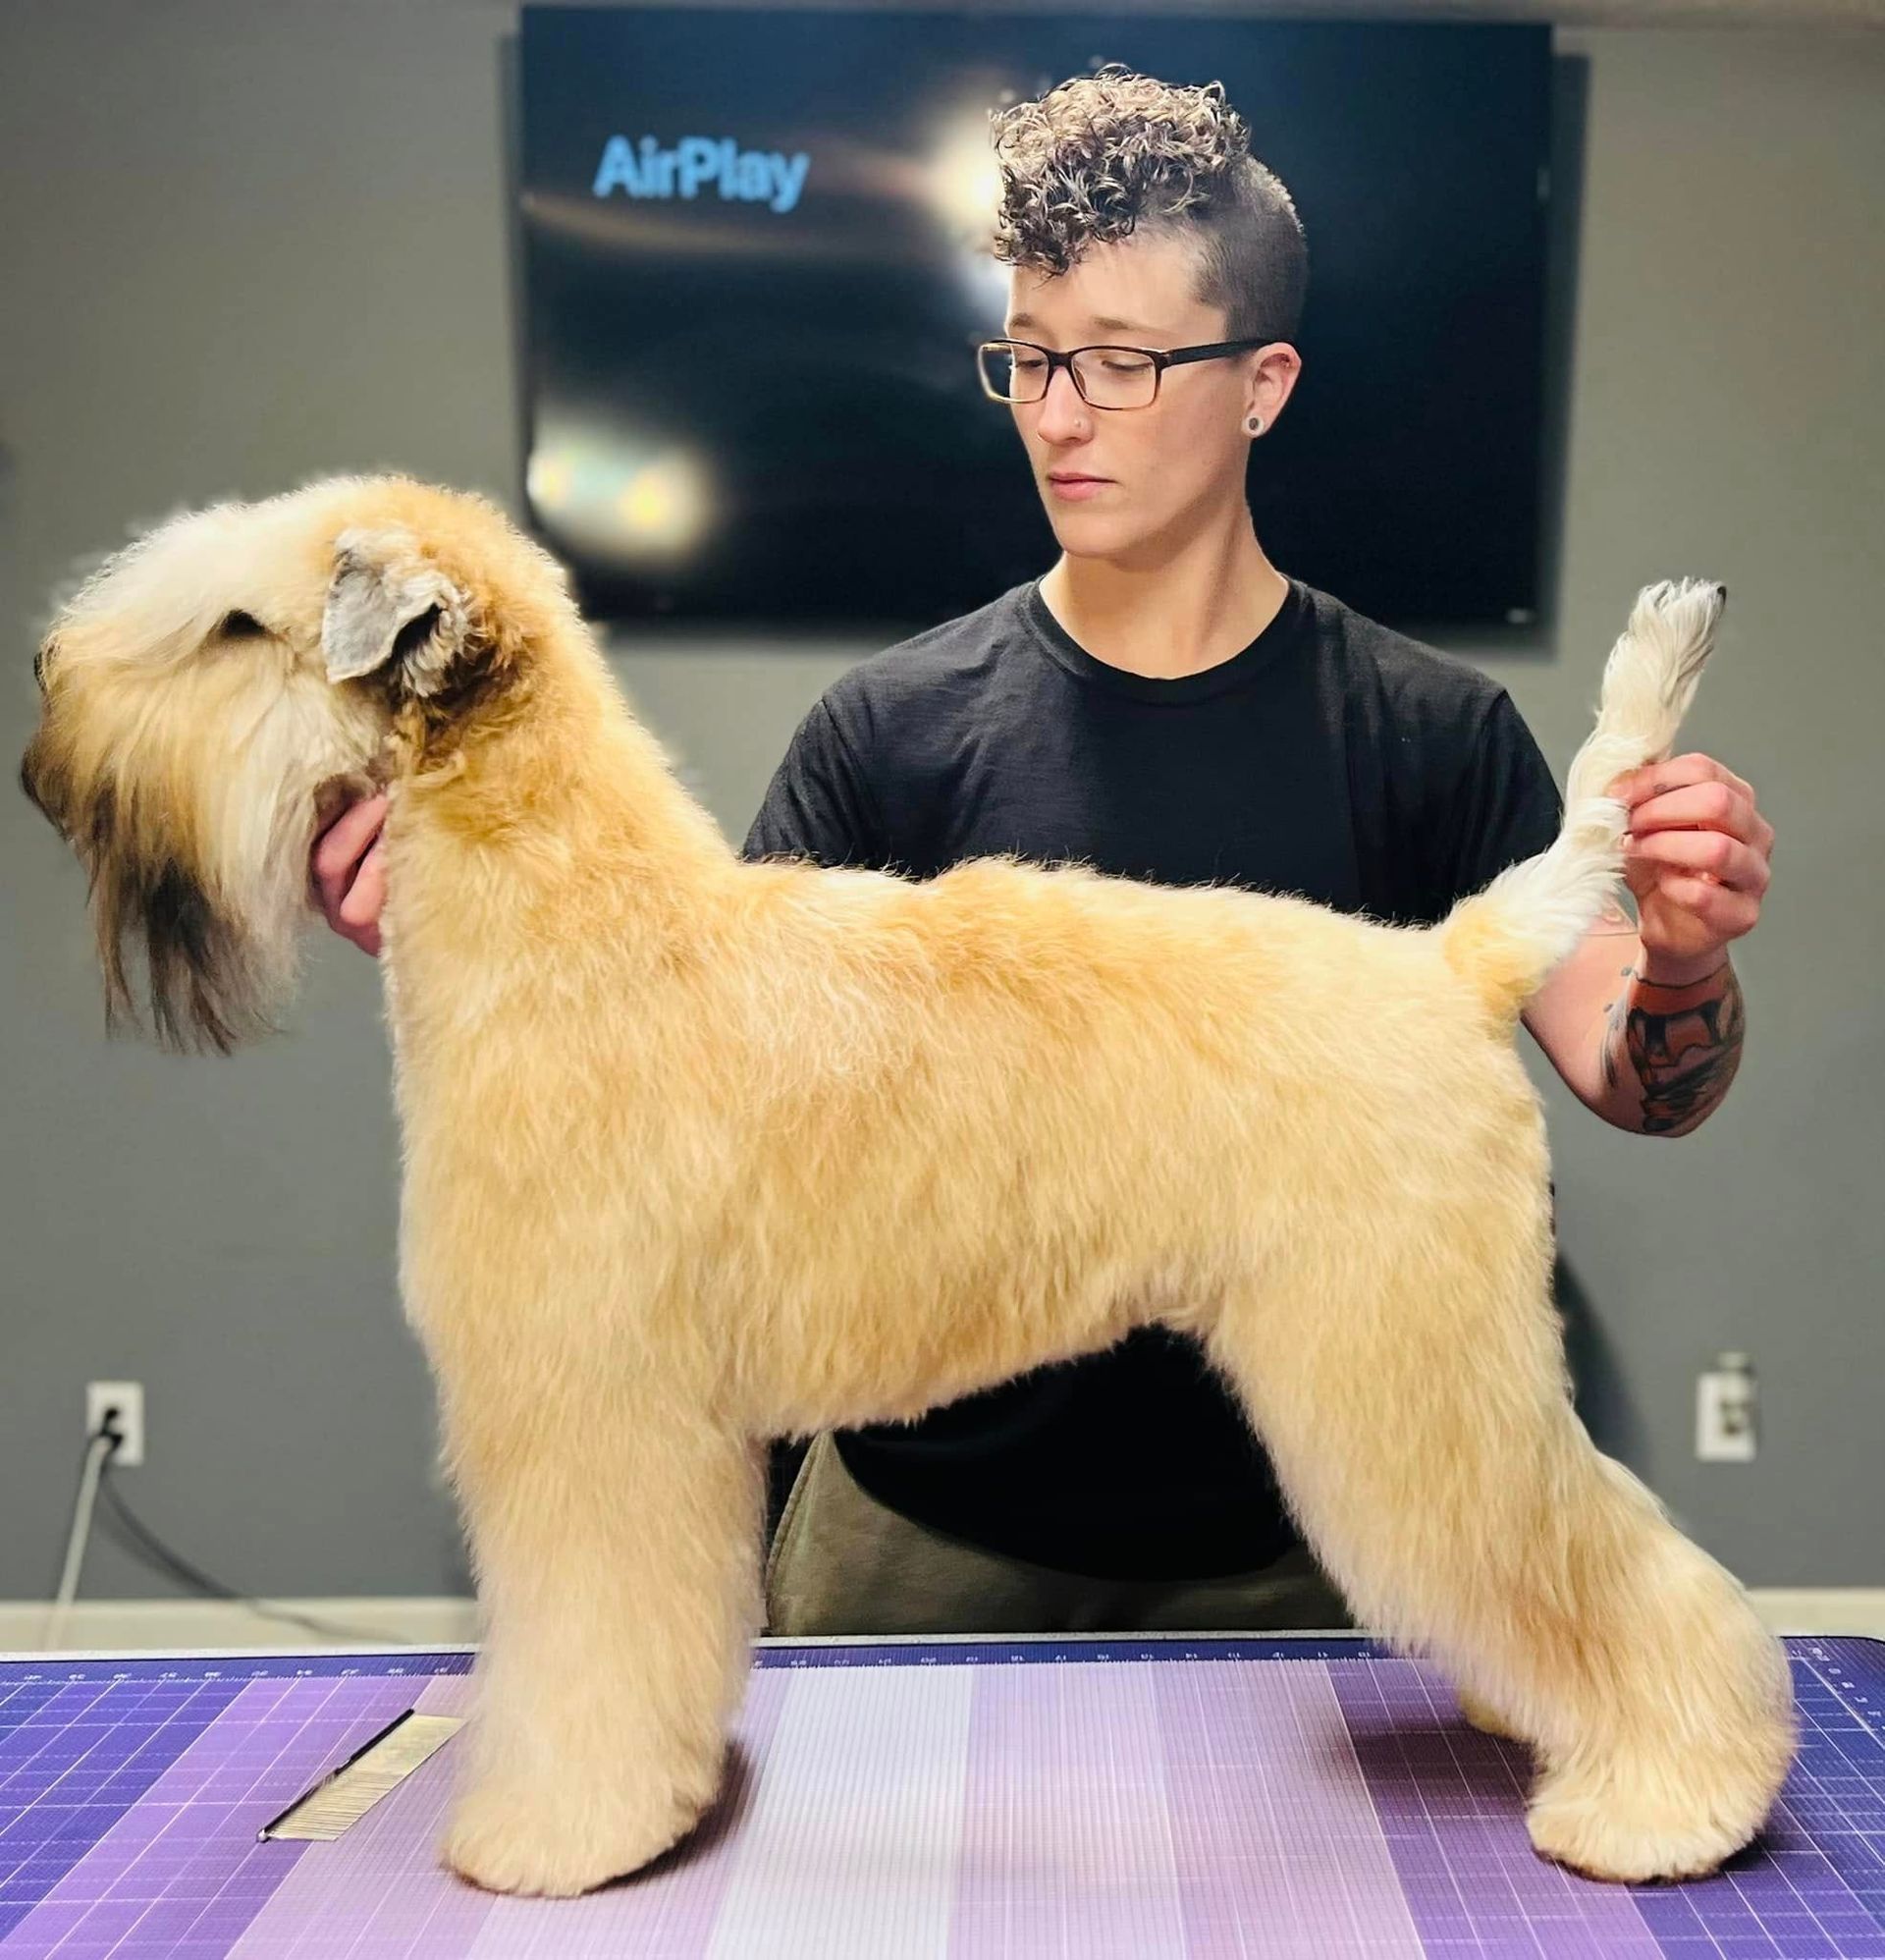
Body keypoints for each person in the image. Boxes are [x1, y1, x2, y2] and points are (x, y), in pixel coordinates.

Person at [313, 67, 1774, 1639]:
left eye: (1127, 364)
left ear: (1263, 381)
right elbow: (686, 1089)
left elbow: (1640, 1076)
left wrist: (1685, 956)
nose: (1063, 417)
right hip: (915, 1548)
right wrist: (482, 926)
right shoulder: (885, 732)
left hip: (1308, 1567)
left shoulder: (1432, 731)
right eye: (1032, 360)